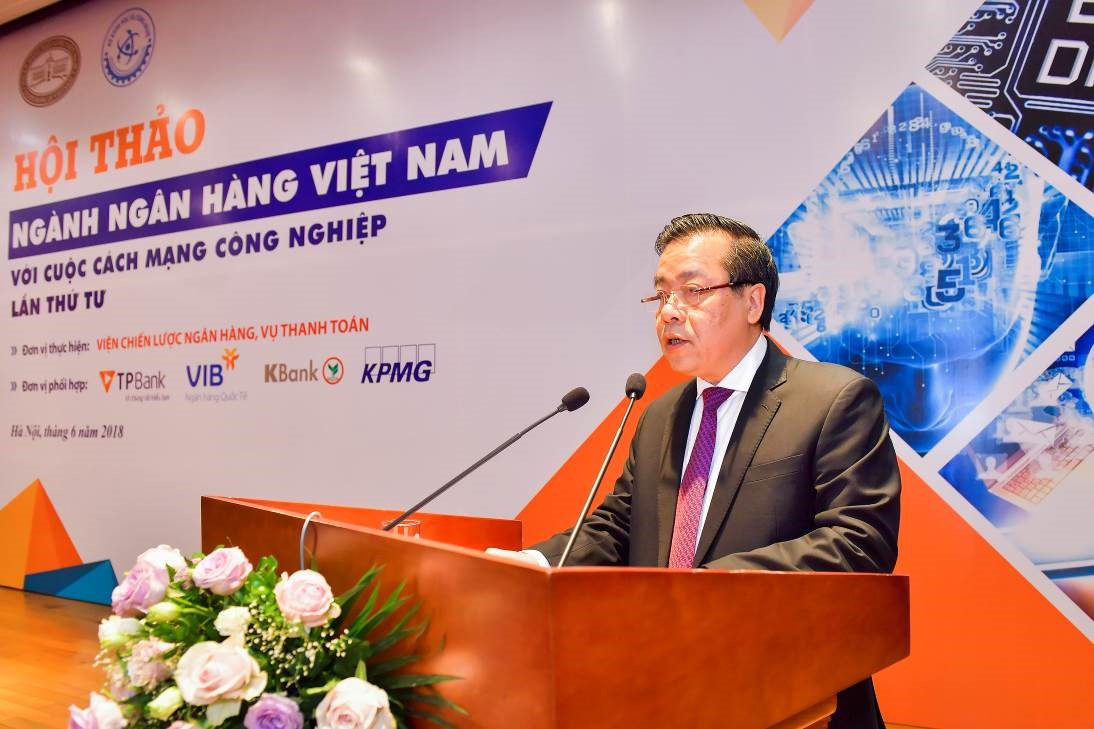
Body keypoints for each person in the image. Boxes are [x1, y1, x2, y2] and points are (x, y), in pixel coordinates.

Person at [523, 213, 902, 728]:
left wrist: (704, 591)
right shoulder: (660, 415)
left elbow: (857, 542)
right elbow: (618, 527)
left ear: (753, 301)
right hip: (668, 693)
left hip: (793, 696)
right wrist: (532, 564)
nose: (669, 312)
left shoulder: (834, 399)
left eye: (693, 291)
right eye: (661, 295)